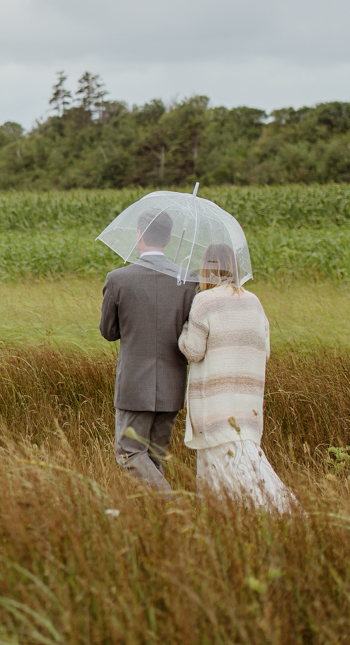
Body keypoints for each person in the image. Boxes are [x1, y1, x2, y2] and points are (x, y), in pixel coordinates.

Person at [178, 242, 298, 513]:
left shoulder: (204, 301)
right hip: (248, 407)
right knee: (244, 469)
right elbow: (263, 351)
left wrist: (185, 328)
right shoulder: (254, 302)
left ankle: (284, 516)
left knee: (229, 477)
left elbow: (194, 351)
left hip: (215, 408)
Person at [99, 208, 196, 492]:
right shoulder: (187, 280)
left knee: (128, 452)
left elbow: (108, 332)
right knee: (154, 457)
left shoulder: (118, 278)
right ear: (167, 239)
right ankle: (162, 523)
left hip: (133, 383)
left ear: (139, 235)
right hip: (172, 382)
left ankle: (173, 502)